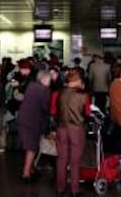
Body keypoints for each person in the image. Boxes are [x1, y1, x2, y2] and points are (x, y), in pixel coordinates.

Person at [56, 69, 90, 197]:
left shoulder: (59, 93)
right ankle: (75, 189)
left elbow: (54, 111)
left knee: (61, 159)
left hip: (61, 128)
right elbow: (87, 113)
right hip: (76, 129)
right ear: (78, 80)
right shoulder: (83, 95)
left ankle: (60, 188)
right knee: (75, 161)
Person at [17, 70, 51, 182]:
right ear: (44, 79)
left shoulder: (31, 86)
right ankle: (26, 173)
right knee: (31, 147)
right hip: (33, 121)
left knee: (30, 146)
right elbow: (45, 107)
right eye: (49, 80)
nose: (50, 82)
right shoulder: (44, 90)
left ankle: (30, 169)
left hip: (24, 118)